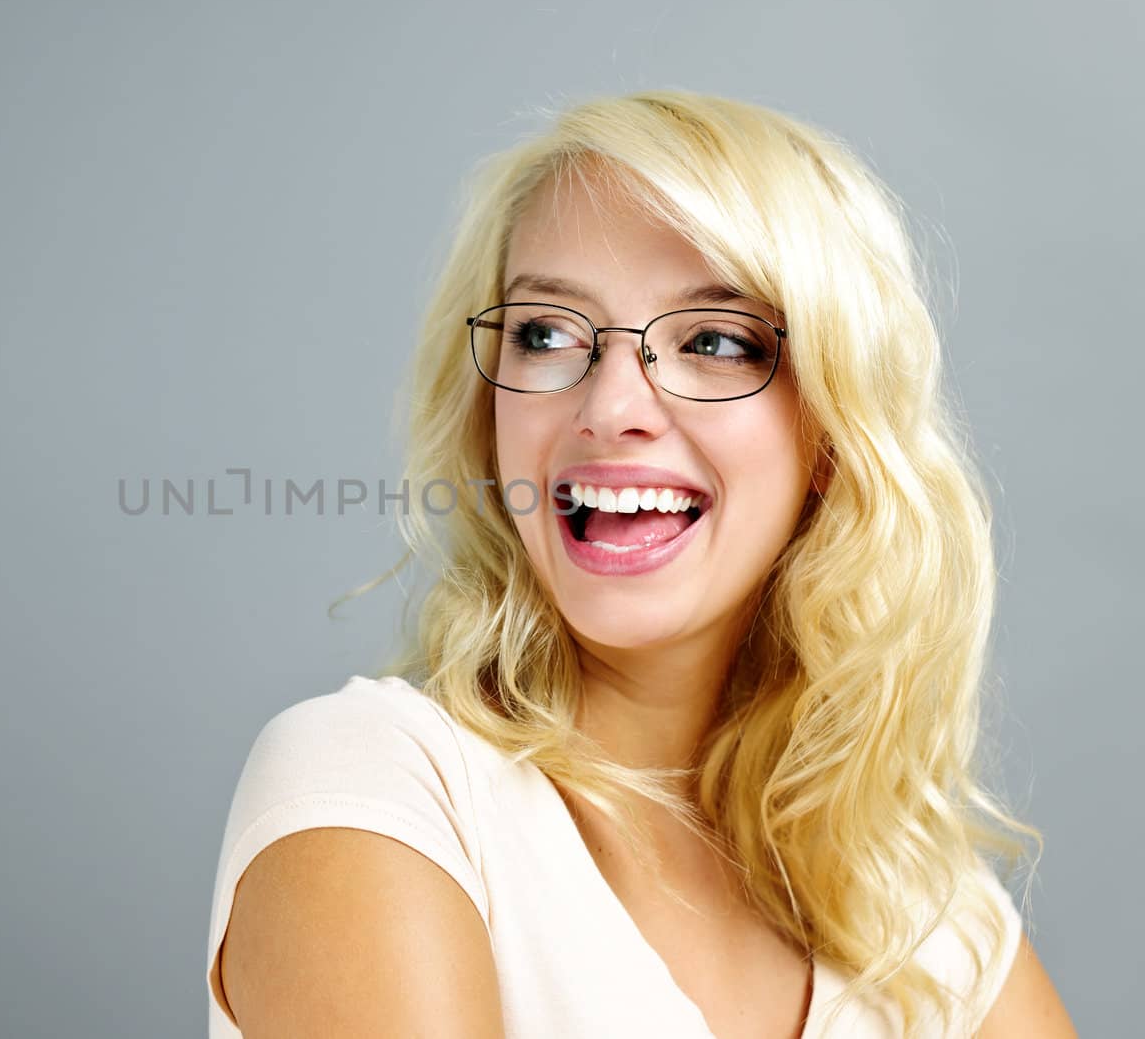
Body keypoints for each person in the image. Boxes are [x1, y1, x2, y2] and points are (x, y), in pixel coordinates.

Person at [204, 90, 1077, 1037]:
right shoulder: (377, 787)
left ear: (830, 432)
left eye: (712, 341)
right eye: (543, 333)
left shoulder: (923, 917)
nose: (610, 403)